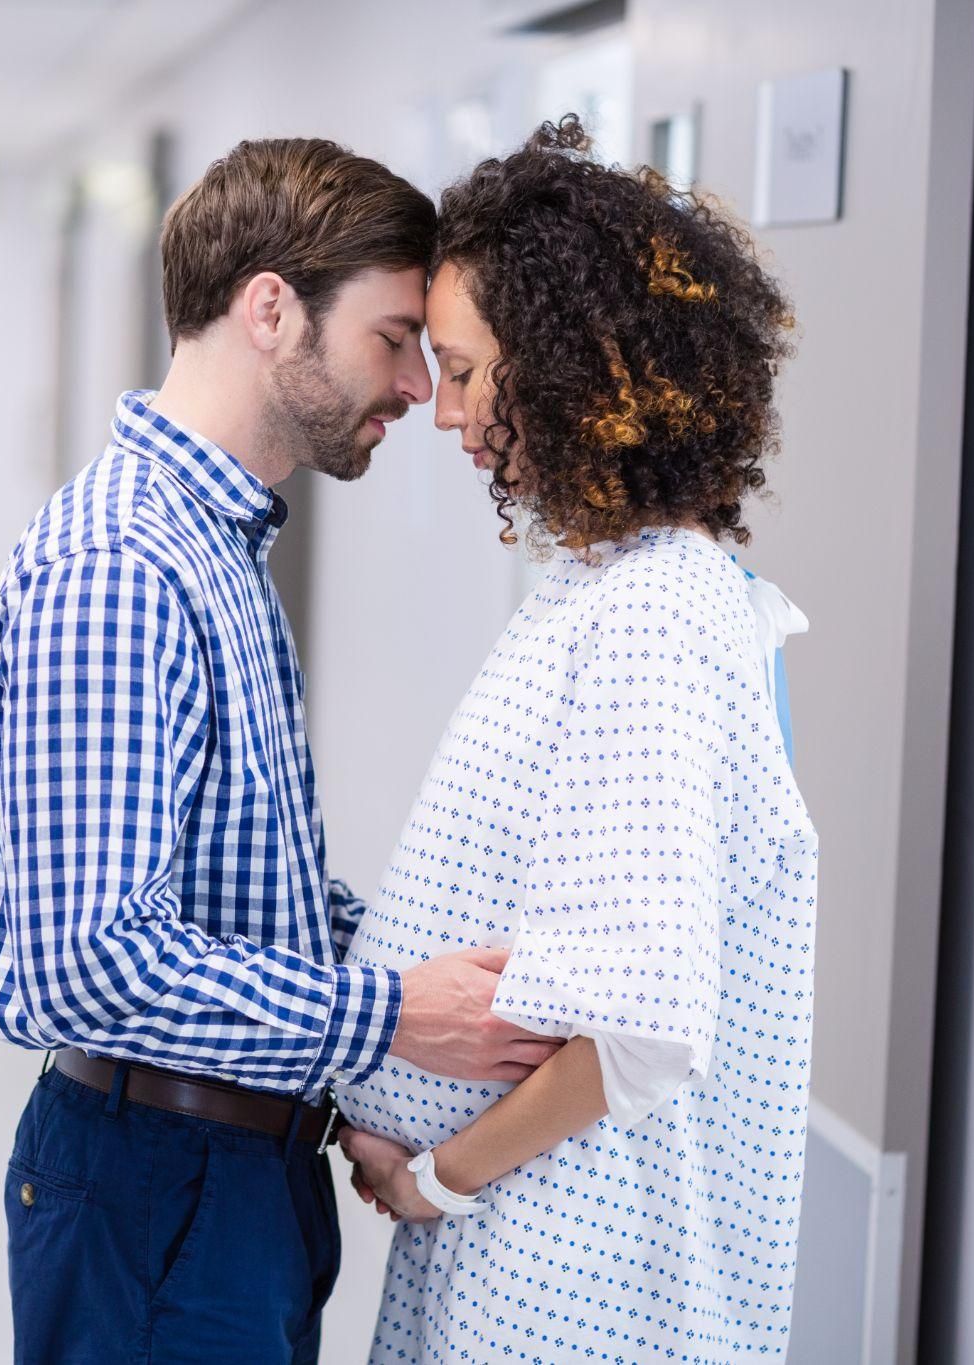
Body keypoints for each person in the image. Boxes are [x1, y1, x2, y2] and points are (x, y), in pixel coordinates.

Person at [0, 138, 563, 1365]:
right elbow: (95, 966)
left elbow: (242, 896)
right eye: (394, 339)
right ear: (271, 308)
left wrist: (410, 1012)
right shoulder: (122, 569)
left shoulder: (214, 548)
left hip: (230, 1171)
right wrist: (389, 1013)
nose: (416, 389)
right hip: (159, 1187)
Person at [331, 117, 819, 1363]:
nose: (442, 415)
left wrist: (435, 1177)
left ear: (569, 365)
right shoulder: (618, 585)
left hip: (577, 1272)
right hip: (526, 1246)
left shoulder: (656, 613)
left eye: (462, 369)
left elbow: (637, 1032)